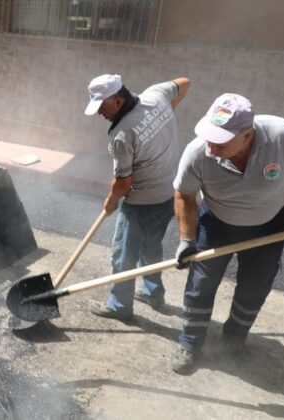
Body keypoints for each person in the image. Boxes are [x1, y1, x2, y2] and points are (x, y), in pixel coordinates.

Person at [170, 93, 284, 374]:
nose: (211, 147)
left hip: (270, 224)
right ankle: (189, 343)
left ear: (247, 135)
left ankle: (234, 341)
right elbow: (184, 194)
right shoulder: (198, 152)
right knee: (201, 285)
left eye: (221, 142)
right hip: (216, 224)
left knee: (255, 286)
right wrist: (186, 240)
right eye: (209, 138)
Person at [84, 73, 190, 321]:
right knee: (151, 246)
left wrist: (110, 203)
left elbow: (123, 183)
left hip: (141, 203)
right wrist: (165, 113)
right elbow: (184, 82)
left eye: (102, 107)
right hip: (167, 195)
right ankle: (153, 293)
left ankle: (120, 305)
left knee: (123, 254)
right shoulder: (156, 95)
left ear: (117, 102)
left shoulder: (122, 133)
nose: (100, 113)